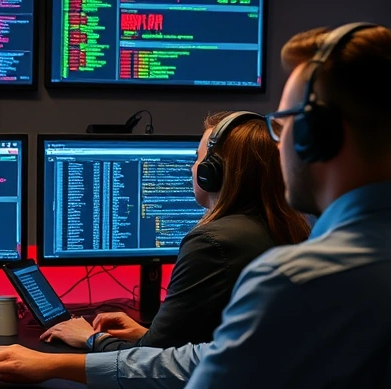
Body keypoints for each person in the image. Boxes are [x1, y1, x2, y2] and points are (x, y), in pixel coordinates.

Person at [0, 23, 391, 389]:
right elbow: (206, 361)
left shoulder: (297, 281)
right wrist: (80, 357)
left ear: (314, 134)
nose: (279, 144)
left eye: (282, 125)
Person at [40, 111, 311, 352]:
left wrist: (89, 338)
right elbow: (214, 345)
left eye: (198, 158)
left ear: (211, 173)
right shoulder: (291, 229)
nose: (193, 168)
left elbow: (151, 367)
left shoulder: (211, 243)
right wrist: (151, 334)